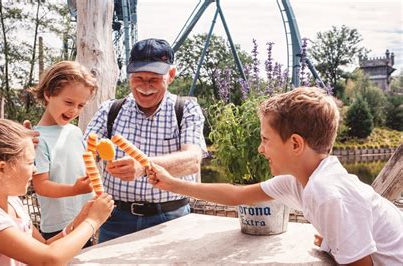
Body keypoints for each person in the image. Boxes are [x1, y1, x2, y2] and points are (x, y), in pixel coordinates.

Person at [148, 87, 403, 265]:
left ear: (295, 145)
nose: (260, 149)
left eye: (265, 140)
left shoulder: (326, 192)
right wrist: (172, 183)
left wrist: (338, 245)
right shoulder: (300, 181)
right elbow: (238, 195)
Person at [0, 119, 114, 265]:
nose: (35, 170)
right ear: (1, 169)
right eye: (29, 163)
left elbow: (43, 247)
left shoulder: (12, 201)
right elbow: (49, 259)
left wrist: (79, 221)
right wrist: (93, 221)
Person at [85, 38, 207, 242]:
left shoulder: (185, 109)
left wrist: (143, 167)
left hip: (170, 219)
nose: (145, 87)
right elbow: (85, 149)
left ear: (171, 75)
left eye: (153, 79)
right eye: (138, 78)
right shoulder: (110, 110)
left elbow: (192, 161)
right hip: (115, 218)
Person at [29, 61, 98, 246]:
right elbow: (41, 185)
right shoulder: (37, 139)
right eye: (68, 102)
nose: (74, 110)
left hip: (86, 218)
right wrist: (75, 190)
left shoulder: (75, 132)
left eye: (80, 105)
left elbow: (81, 171)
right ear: (48, 94)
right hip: (59, 226)